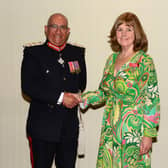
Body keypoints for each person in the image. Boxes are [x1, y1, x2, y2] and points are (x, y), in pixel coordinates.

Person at [80, 12, 160, 168]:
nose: (124, 34)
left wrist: (148, 135)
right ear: (114, 33)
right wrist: (82, 98)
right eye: (120, 29)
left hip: (134, 130)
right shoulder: (111, 60)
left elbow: (152, 98)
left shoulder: (144, 61)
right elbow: (104, 92)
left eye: (129, 29)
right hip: (111, 127)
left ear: (137, 33)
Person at [21, 13, 86, 168]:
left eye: (63, 27)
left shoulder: (76, 53)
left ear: (68, 31)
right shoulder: (33, 53)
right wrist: (61, 98)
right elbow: (28, 87)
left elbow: (81, 84)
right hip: (42, 129)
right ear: (46, 29)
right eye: (54, 26)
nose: (58, 31)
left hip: (68, 129)